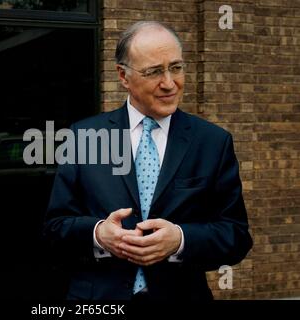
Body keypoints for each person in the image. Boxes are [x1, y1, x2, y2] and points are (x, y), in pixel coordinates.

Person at [43, 21, 253, 300]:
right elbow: (55, 229)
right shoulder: (84, 136)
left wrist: (180, 239)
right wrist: (97, 235)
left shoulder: (213, 142)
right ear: (123, 76)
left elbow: (236, 236)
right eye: (154, 72)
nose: (169, 83)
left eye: (176, 68)